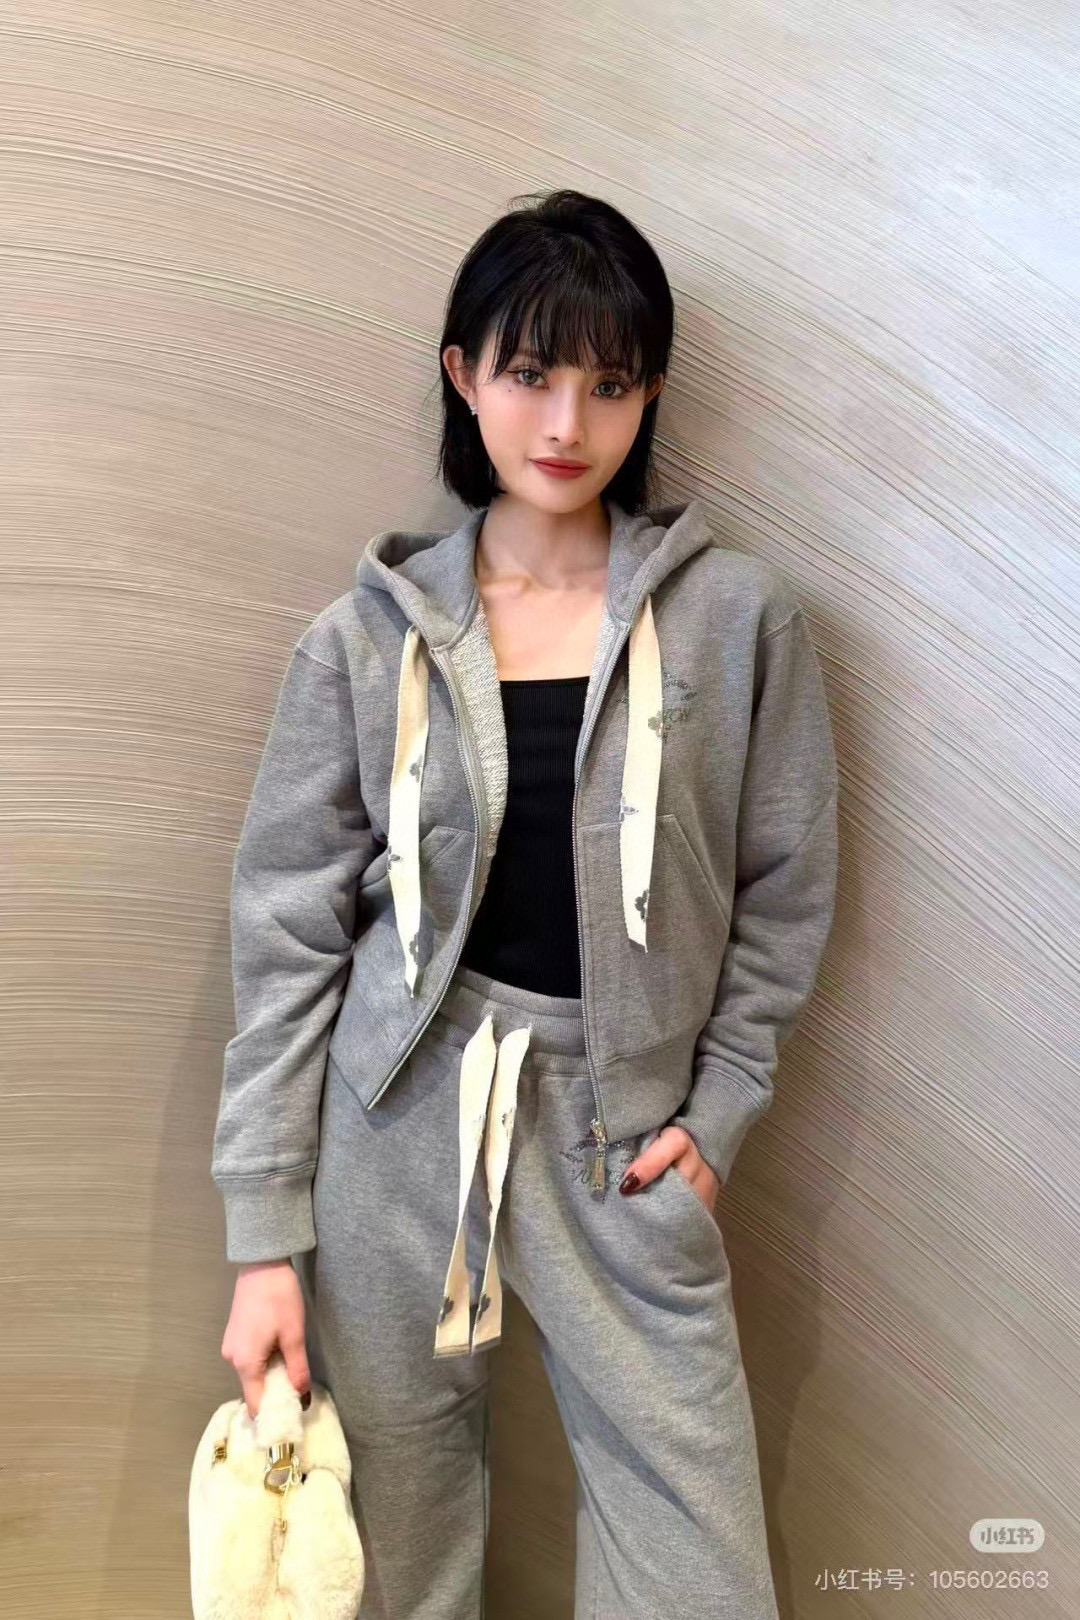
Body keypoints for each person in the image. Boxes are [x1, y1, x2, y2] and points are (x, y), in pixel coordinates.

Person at [212, 187, 839, 1619]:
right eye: (530, 373)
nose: (567, 423)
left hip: (629, 1148)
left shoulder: (741, 621)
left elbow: (786, 894)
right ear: (463, 375)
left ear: (650, 394)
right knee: (401, 1567)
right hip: (396, 1135)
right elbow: (288, 939)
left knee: (699, 1575)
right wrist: (264, 1239)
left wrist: (719, 1117)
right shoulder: (365, 641)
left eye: (609, 384)